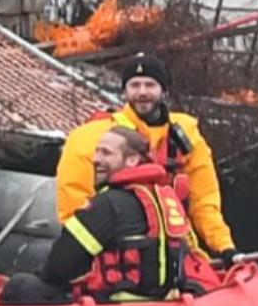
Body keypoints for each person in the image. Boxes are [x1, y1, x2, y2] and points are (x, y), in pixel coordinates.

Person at [55, 52, 237, 265]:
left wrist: (225, 248)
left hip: (177, 254)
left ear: (164, 91)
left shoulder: (186, 137)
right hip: (120, 257)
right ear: (124, 91)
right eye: (135, 85)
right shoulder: (91, 137)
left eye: (150, 85)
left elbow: (204, 203)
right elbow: (75, 206)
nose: (142, 92)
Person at [1, 127, 194, 305]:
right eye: (97, 151)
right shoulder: (165, 199)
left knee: (21, 286)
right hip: (162, 305)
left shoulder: (109, 203)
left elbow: (58, 267)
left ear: (132, 160)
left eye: (106, 153)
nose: (95, 159)